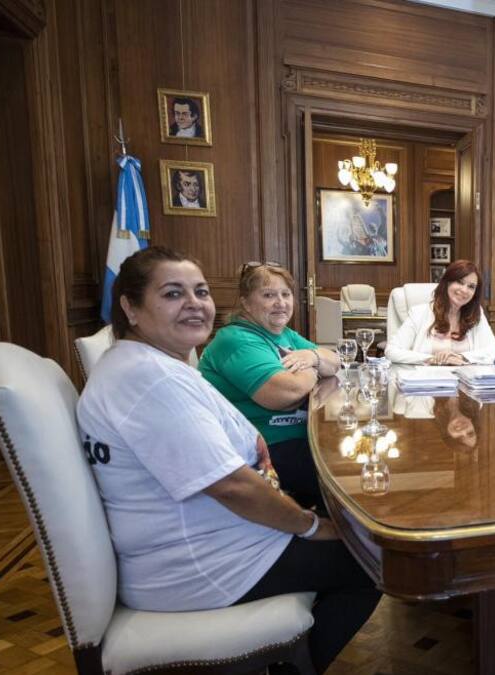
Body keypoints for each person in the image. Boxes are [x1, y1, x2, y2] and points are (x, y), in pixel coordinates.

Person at [76, 247, 379, 674]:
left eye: (200, 291)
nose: (195, 303)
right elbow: (232, 485)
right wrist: (312, 525)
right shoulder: (150, 380)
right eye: (172, 294)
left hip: (210, 540)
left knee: (354, 538)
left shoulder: (149, 364)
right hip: (206, 564)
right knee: (373, 563)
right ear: (130, 307)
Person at [199, 261, 341, 510]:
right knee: (344, 474)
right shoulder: (237, 339)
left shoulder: (281, 333)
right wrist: (311, 371)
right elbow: (283, 395)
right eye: (268, 295)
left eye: (286, 294)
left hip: (301, 434)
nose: (281, 303)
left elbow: (335, 362)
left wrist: (313, 358)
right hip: (265, 448)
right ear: (245, 302)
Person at [384, 259, 495, 365]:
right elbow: (392, 351)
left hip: (465, 382)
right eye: (459, 282)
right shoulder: (419, 313)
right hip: (426, 381)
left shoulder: (475, 313)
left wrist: (460, 357)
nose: (464, 290)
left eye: (471, 286)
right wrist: (432, 359)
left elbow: (493, 350)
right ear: (447, 282)